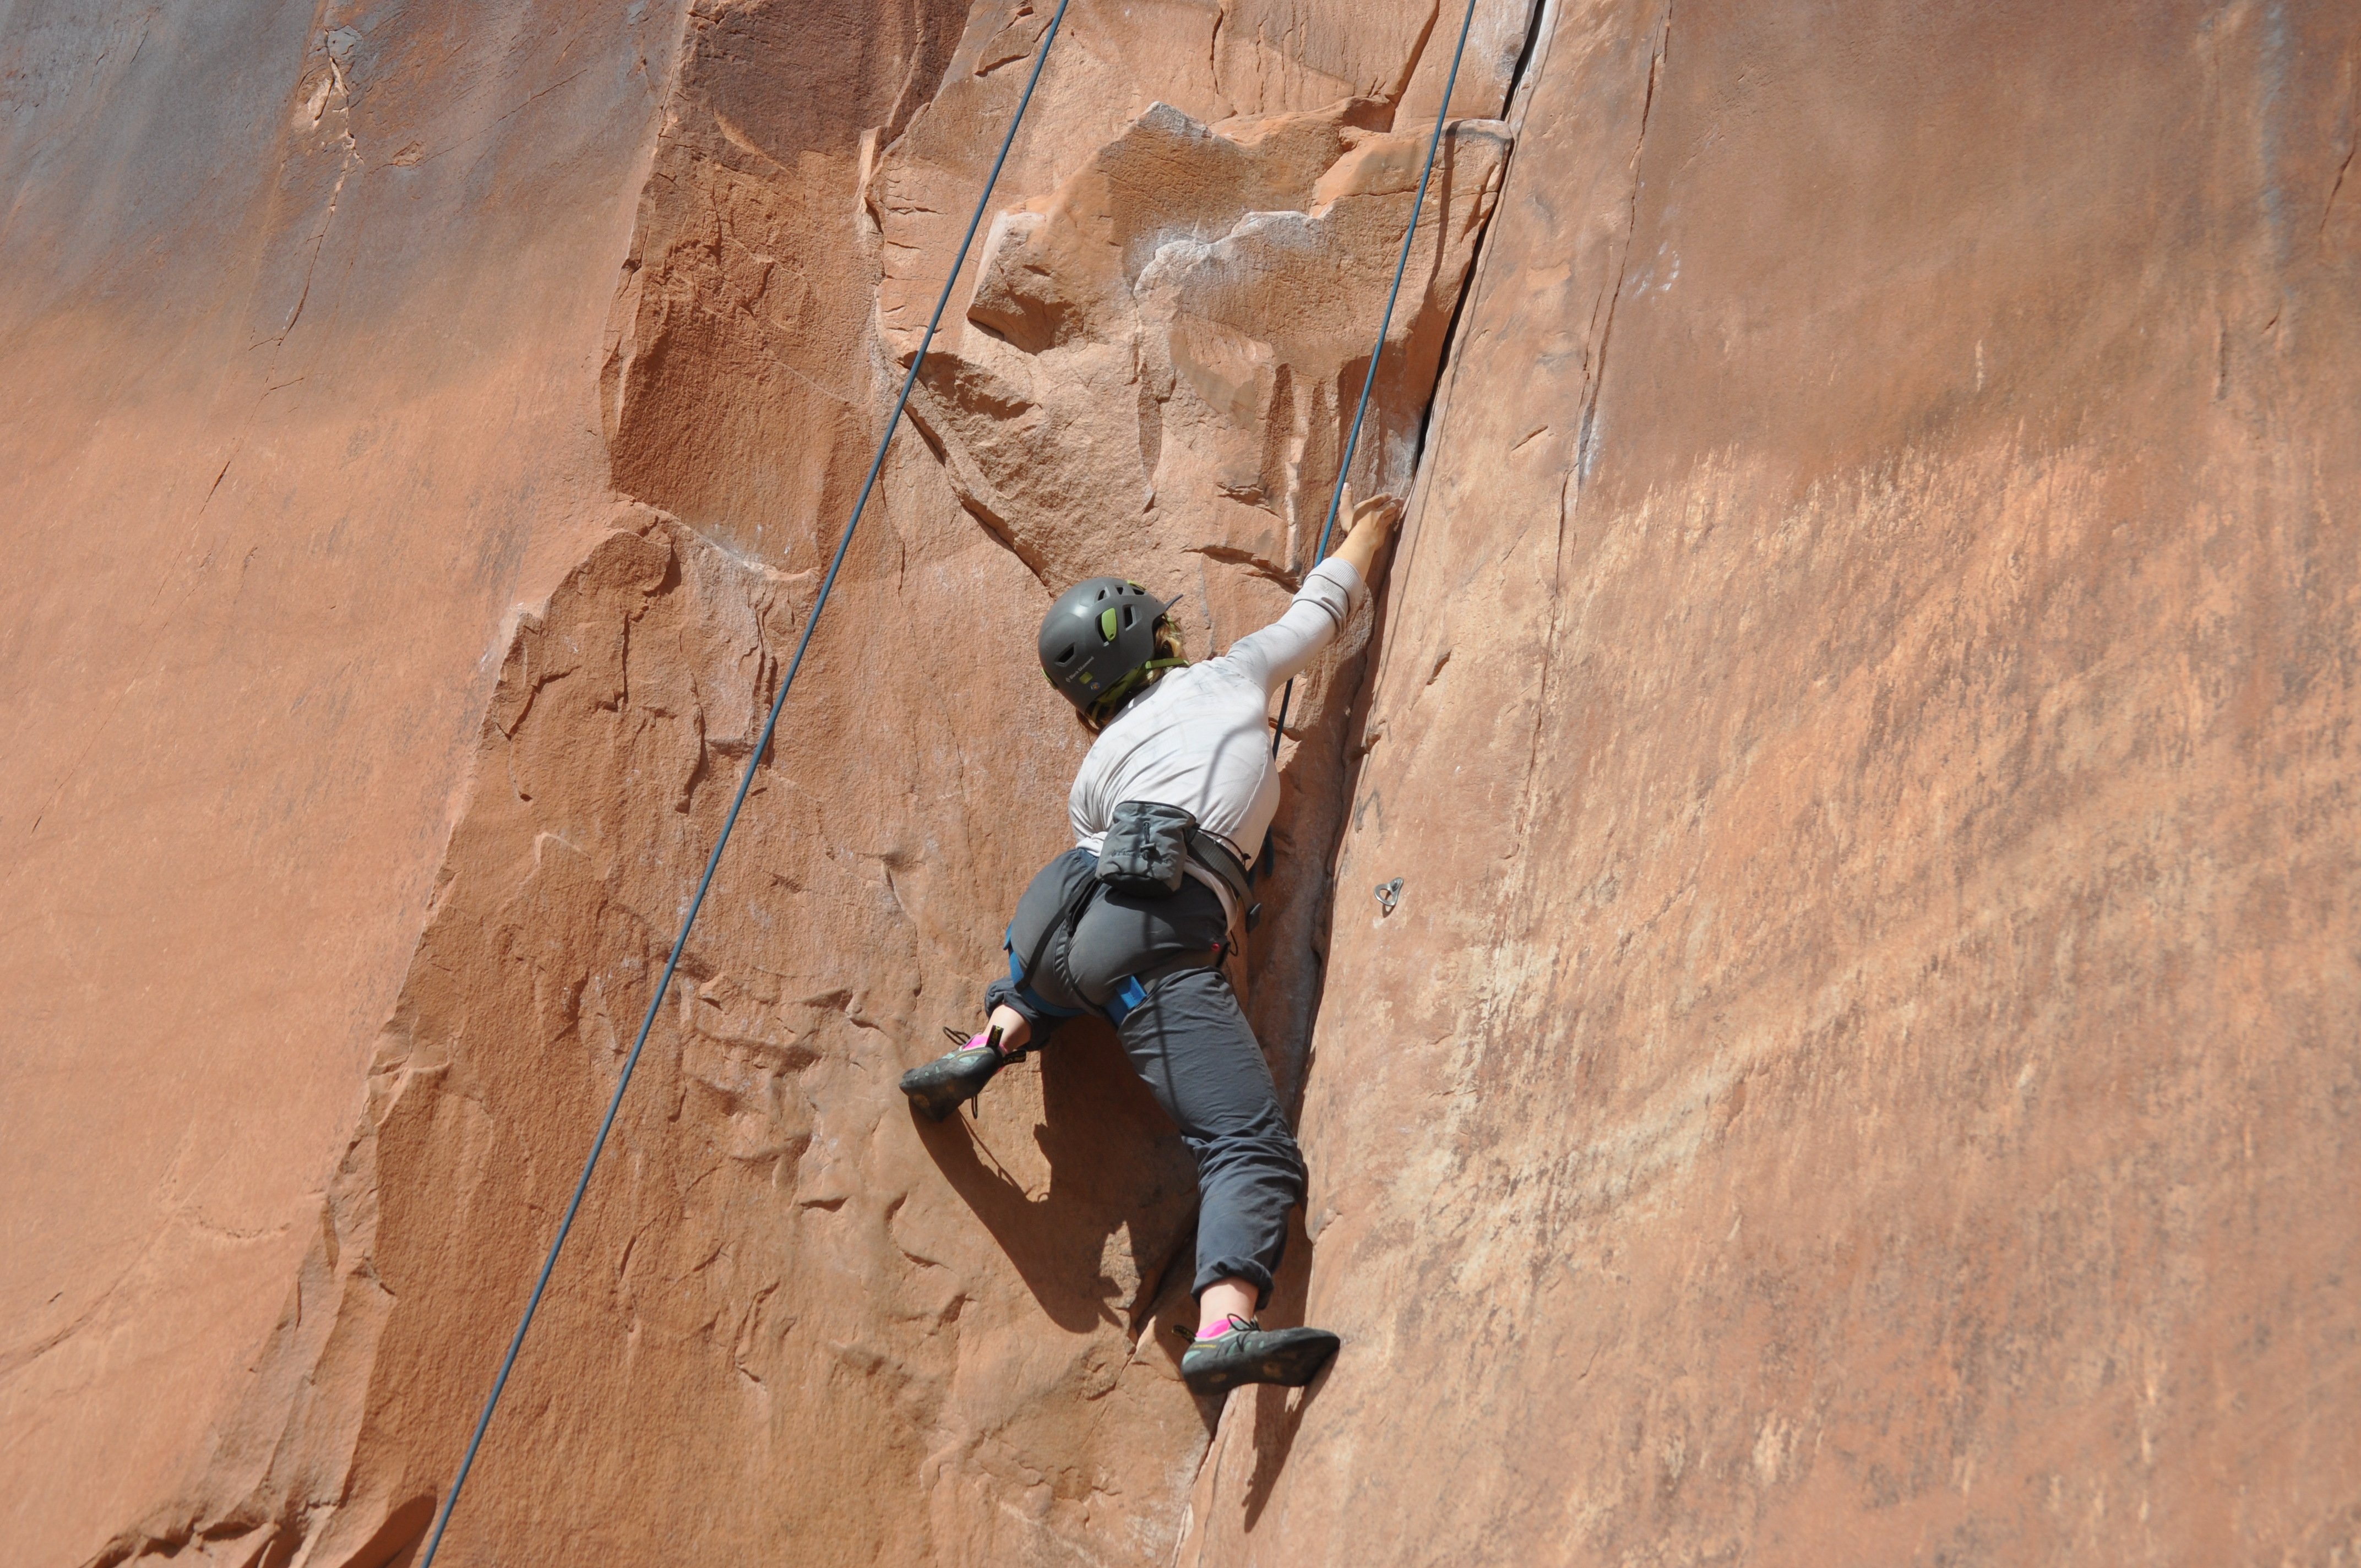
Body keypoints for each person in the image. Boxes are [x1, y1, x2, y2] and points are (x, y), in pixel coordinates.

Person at [901, 489, 1404, 1396]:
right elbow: (1319, 612)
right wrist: (1368, 533)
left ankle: (999, 1035)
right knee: (1246, 1142)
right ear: (1155, 645)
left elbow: (1098, 860)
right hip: (1153, 941)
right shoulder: (1228, 675)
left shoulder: (1096, 767)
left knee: (1078, 935)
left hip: (1057, 935)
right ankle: (1224, 1325)